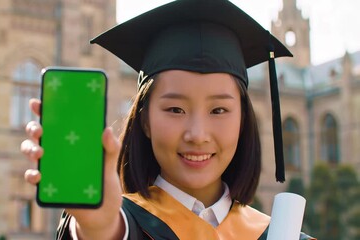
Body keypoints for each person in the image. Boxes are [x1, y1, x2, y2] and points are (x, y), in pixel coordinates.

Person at [21, 0, 316, 239]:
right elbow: (108, 230)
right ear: (144, 120)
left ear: (244, 121)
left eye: (218, 110)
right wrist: (98, 227)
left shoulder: (278, 235)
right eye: (175, 109)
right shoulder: (124, 223)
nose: (197, 134)